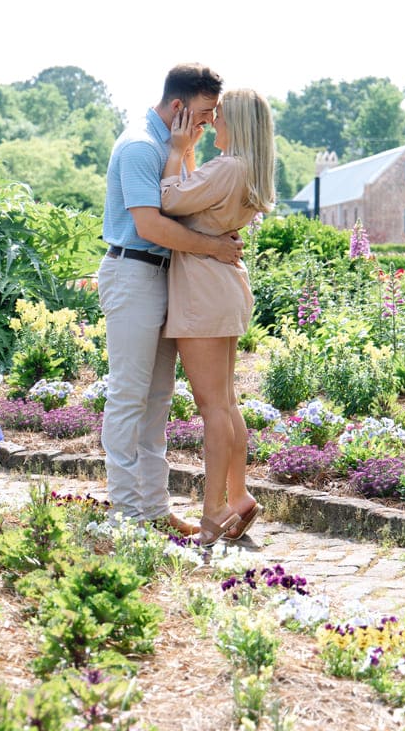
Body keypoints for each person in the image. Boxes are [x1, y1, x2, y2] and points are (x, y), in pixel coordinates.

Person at [99, 63, 243, 534]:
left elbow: (188, 206)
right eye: (203, 114)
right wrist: (217, 248)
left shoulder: (174, 148)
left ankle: (155, 510)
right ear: (178, 106)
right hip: (134, 272)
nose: (208, 124)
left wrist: (187, 154)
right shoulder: (141, 146)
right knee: (128, 395)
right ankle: (124, 513)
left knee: (158, 399)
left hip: (165, 276)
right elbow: (151, 225)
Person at [160, 88, 277, 545]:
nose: (212, 123)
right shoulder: (245, 170)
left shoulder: (227, 167)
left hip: (203, 292)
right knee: (226, 403)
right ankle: (239, 495)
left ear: (239, 124)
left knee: (213, 408)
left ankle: (212, 514)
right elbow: (196, 197)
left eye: (220, 116)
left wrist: (175, 151)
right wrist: (188, 155)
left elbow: (170, 200)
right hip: (223, 288)